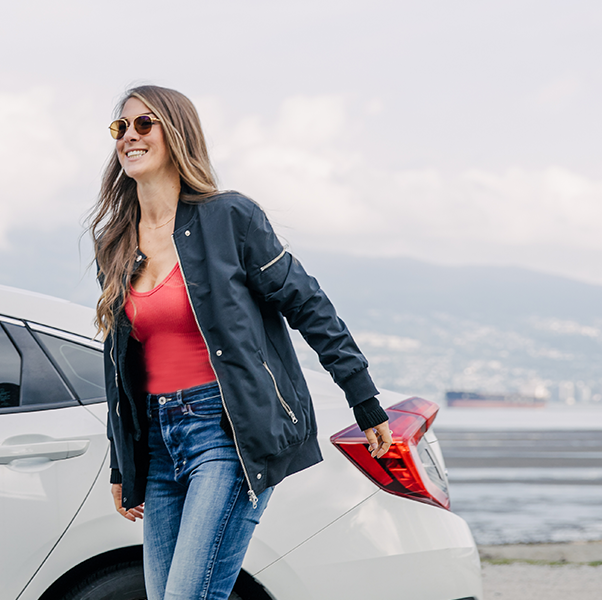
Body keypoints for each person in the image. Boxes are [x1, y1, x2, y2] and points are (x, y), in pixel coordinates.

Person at [90, 85, 395, 600]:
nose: (130, 137)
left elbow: (308, 305)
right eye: (121, 128)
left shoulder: (229, 218)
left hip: (225, 429)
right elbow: (121, 364)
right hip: (160, 443)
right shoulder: (117, 243)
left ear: (178, 134)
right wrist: (124, 461)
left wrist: (364, 400)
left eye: (145, 124)